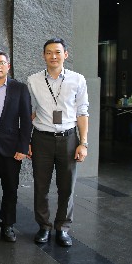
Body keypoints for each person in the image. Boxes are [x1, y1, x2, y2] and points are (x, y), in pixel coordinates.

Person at [27, 37, 89, 247]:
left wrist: (83, 143)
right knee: (41, 186)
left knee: (67, 187)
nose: (53, 56)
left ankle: (62, 227)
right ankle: (44, 226)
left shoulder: (77, 80)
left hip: (69, 138)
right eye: (49, 52)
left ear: (65, 55)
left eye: (57, 52)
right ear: (43, 55)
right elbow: (30, 112)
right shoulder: (33, 80)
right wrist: (27, 140)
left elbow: (82, 112)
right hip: (41, 138)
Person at [0, 50, 32, 242]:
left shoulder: (20, 88)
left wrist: (23, 147)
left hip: (12, 149)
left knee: (11, 189)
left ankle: (8, 224)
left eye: (2, 63)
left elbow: (26, 120)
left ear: (8, 66)